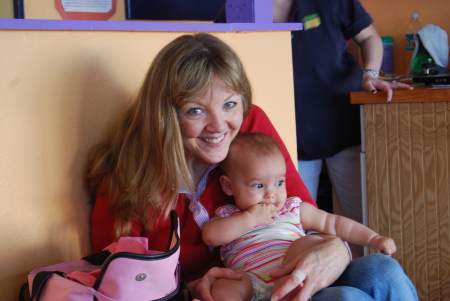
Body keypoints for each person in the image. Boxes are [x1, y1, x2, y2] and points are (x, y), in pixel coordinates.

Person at [86, 33, 418, 301]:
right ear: (165, 116)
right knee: (345, 297)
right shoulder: (126, 180)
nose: (220, 125)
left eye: (229, 104)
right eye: (195, 110)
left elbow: (306, 216)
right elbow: (119, 286)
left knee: (382, 271)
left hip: (287, 270)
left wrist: (338, 249)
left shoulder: (250, 128)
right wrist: (195, 288)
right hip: (232, 290)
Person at [216, 0, 414, 258]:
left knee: (361, 223)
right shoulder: (239, 6)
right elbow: (218, 57)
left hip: (344, 129)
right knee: (297, 231)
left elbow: (370, 38)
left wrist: (370, 74)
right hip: (287, 142)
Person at [202, 132, 397, 300]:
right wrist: (251, 219)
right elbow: (211, 235)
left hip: (297, 275)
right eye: (258, 186)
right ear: (228, 186)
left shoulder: (292, 208)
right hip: (252, 284)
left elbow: (334, 223)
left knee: (307, 243)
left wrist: (372, 238)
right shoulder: (229, 215)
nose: (271, 194)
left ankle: (289, 290)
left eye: (279, 183)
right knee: (226, 283)